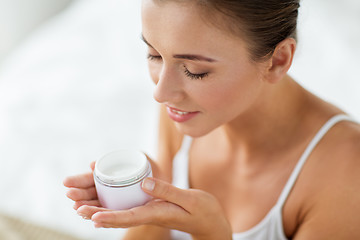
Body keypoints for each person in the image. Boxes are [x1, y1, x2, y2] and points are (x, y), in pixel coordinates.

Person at [63, 0, 360, 239]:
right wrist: (150, 202)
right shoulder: (184, 110)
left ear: (278, 60)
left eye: (194, 70)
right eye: (154, 55)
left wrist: (211, 233)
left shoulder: (346, 173)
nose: (161, 92)